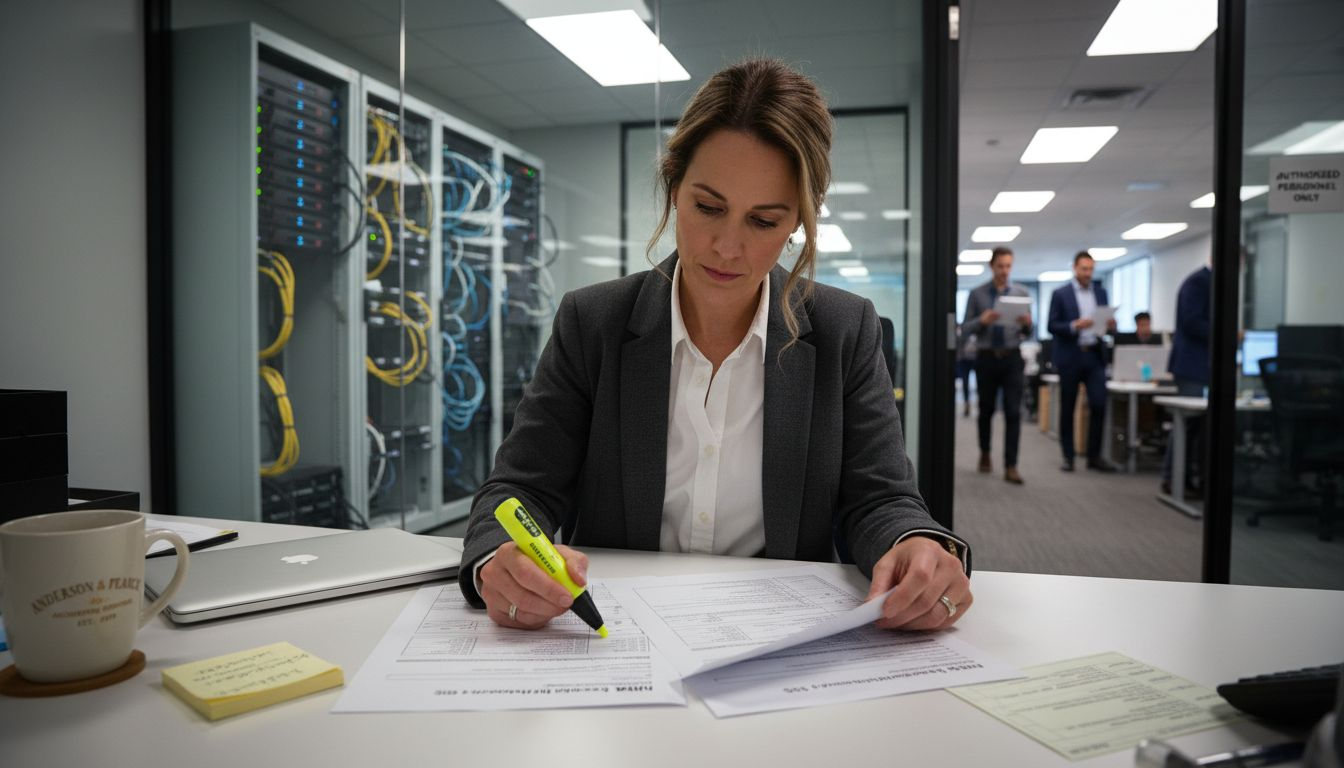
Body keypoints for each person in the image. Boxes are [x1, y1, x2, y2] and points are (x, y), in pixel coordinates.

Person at [459, 59, 972, 634]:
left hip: (779, 636)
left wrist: (913, 544)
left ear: (798, 221)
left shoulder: (844, 330)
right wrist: (498, 560)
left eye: (763, 221)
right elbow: (520, 488)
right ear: (674, 187)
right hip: (618, 634)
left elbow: (881, 498)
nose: (728, 247)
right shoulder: (593, 322)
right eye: (708, 207)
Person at [960, 246, 1032, 484]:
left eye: (1008, 266)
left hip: (1012, 357)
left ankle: (1011, 465)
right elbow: (965, 328)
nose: (1004, 271)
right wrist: (982, 320)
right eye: (1000, 266)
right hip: (986, 357)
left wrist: (1027, 324)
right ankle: (985, 452)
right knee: (986, 409)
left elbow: (1029, 332)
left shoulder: (1021, 293)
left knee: (1013, 411)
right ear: (991, 266)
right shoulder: (977, 294)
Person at [1047, 251, 1117, 472]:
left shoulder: (1101, 292)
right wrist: (1073, 325)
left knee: (1099, 404)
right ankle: (1068, 456)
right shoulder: (1061, 294)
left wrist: (1110, 325)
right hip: (1071, 355)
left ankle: (1094, 456)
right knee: (1068, 407)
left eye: (1091, 269)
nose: (1088, 273)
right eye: (1084, 269)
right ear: (1075, 268)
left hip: (1094, 355)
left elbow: (1104, 323)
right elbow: (1052, 325)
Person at [1163, 264, 1211, 498]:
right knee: (1186, 424)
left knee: (1200, 427)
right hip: (1191, 365)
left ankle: (1193, 479)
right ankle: (1172, 479)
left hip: (1203, 366)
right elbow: (1191, 322)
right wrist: (1228, 330)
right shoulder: (1198, 282)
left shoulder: (1207, 282)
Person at [956, 328, 976, 418]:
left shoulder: (973, 330)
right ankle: (967, 403)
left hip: (970, 359)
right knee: (965, 382)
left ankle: (967, 403)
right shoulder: (962, 331)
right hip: (964, 359)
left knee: (966, 382)